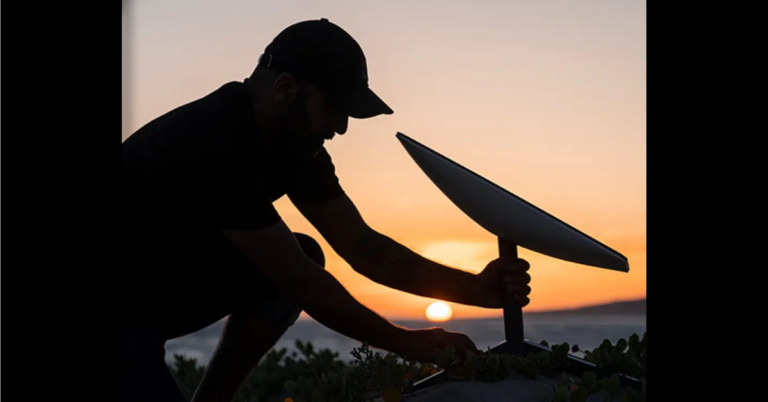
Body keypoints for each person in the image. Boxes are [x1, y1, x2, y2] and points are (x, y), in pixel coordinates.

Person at [121, 18, 532, 402]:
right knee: (298, 266)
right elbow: (299, 279)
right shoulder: (214, 139)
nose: (342, 126)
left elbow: (361, 246)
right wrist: (406, 342)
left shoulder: (297, 146)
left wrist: (473, 289)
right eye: (335, 107)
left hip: (153, 294)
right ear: (285, 88)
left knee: (307, 253)